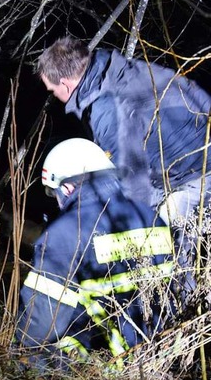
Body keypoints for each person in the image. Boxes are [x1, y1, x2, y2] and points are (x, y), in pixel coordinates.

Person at [36, 36, 211, 264]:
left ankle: (181, 295)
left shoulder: (106, 109)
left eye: (52, 90)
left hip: (197, 173)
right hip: (179, 166)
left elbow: (134, 182)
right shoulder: (114, 72)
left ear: (66, 84)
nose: (55, 96)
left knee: (160, 247)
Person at [15, 138, 177, 371]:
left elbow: (41, 323)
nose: (59, 203)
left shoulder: (66, 232)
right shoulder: (151, 218)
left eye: (55, 193)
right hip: (162, 356)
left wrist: (17, 358)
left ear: (68, 187)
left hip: (115, 368)